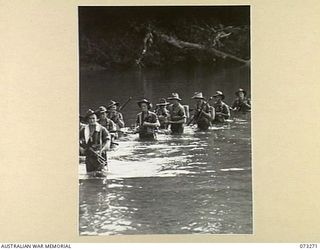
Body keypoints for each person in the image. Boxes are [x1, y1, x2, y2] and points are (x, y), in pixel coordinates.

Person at [79, 109, 110, 176]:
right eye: (90, 118)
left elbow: (108, 141)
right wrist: (81, 149)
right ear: (87, 120)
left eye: (93, 118)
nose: (92, 120)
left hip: (100, 156)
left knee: (102, 175)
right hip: (89, 156)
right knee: (90, 175)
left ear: (96, 119)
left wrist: (102, 150)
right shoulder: (83, 129)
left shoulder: (102, 129)